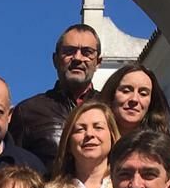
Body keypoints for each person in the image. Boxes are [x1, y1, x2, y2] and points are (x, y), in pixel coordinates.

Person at [100, 63, 170, 188]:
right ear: (112, 95)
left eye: (143, 93)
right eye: (126, 91)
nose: (134, 99)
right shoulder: (94, 150)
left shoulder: (163, 155)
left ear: (151, 103)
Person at [11, 24, 104, 160]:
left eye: (87, 52)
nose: (77, 58)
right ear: (55, 60)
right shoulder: (28, 112)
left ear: (98, 62)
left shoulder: (110, 107)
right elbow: (13, 171)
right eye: (69, 51)